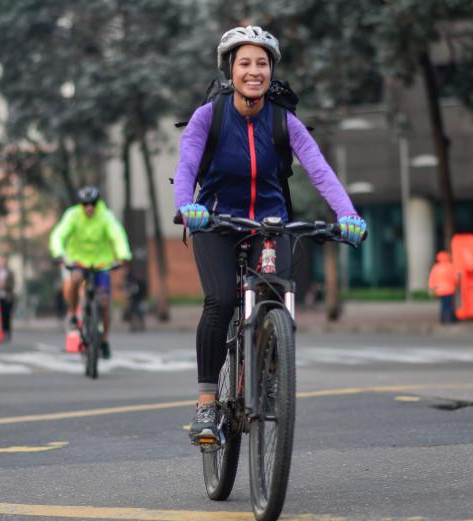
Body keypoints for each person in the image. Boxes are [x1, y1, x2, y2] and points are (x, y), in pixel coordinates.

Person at [173, 26, 368, 444]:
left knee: (276, 295)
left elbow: (319, 169)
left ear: (271, 70)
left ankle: (272, 371)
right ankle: (208, 401)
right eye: (245, 63)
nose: (254, 71)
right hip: (215, 222)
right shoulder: (210, 115)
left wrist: (347, 213)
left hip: (270, 223)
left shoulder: (284, 120)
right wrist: (188, 208)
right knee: (221, 299)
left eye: (262, 63)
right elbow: (187, 163)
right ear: (231, 70)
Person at [49, 186, 132, 359]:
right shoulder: (72, 215)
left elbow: (117, 236)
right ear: (81, 205)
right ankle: (72, 313)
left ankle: (104, 339)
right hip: (79, 260)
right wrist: (58, 253)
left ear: (98, 203)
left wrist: (123, 255)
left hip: (101, 263)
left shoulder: (106, 216)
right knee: (75, 278)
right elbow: (59, 235)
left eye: (93, 204)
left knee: (104, 302)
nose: (89, 207)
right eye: (85, 204)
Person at [428, 251, 458, 324]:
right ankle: (449, 319)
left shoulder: (436, 267)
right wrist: (456, 284)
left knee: (443, 305)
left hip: (440, 290)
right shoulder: (451, 266)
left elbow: (432, 278)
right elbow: (455, 277)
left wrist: (431, 288)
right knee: (449, 305)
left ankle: (443, 319)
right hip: (450, 289)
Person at [0, 257, 16, 340]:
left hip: (7, 297)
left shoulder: (10, 272)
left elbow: (13, 284)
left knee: (7, 315)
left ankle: (7, 332)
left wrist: (4, 286)